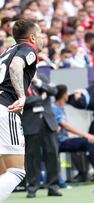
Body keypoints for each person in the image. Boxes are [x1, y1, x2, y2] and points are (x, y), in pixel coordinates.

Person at [0, 18, 43, 202]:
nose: (42, 39)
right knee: (17, 171)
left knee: (2, 171)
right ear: (32, 37)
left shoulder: (6, 51)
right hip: (6, 108)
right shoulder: (28, 50)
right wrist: (22, 96)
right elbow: (16, 65)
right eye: (40, 35)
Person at [23, 74, 62, 198]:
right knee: (32, 157)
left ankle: (53, 187)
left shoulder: (42, 78)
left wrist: (38, 83)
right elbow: (22, 101)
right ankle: (32, 188)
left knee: (52, 155)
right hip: (31, 123)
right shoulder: (17, 79)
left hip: (48, 122)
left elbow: (54, 91)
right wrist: (40, 98)